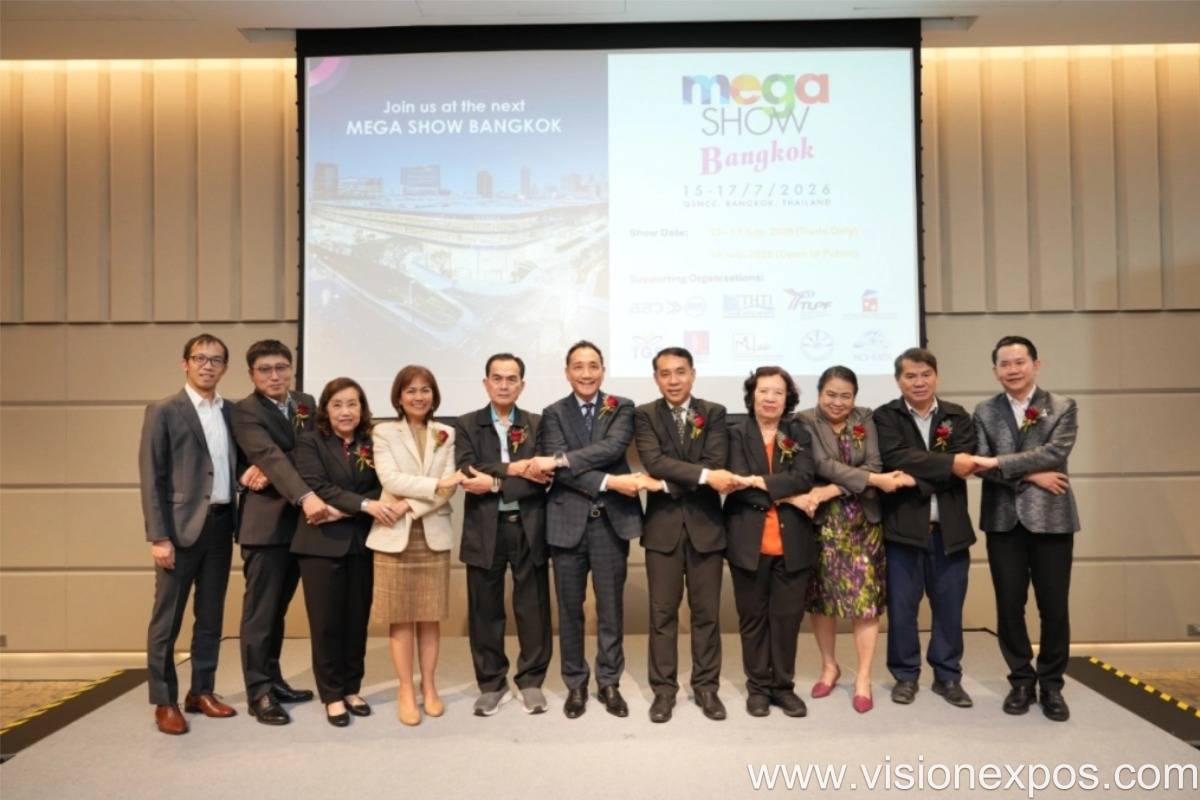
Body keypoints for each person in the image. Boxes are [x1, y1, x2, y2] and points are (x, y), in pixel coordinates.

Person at [531, 340, 644, 719]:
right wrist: (609, 481)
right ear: (567, 372)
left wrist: (561, 459)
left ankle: (609, 682)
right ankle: (575, 684)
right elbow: (561, 474)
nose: (586, 373)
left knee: (611, 609)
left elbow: (612, 449)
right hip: (567, 523)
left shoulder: (622, 406)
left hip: (611, 523)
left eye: (593, 366)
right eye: (578, 366)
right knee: (570, 610)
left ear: (603, 370)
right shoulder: (553, 413)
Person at [971, 336, 1080, 722]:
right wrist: (1032, 475)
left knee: (1054, 607)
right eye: (1005, 364)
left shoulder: (1062, 406)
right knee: (1009, 604)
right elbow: (980, 464)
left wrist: (1002, 463)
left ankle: (1051, 684)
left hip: (1052, 520)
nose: (1013, 370)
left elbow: (1056, 452)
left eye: (1019, 362)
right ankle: (1020, 679)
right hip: (1003, 521)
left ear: (1036, 364)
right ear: (995, 371)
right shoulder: (984, 411)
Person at [140, 334, 242, 735]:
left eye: (215, 360)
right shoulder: (164, 410)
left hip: (221, 525)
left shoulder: (231, 412)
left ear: (224, 368)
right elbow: (152, 477)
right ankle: (164, 700)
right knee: (167, 621)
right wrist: (158, 536)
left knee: (211, 616)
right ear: (185, 363)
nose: (207, 366)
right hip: (178, 531)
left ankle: (201, 691)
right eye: (200, 358)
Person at [794, 365, 912, 714]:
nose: (838, 402)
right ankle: (829, 666)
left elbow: (874, 464)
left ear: (855, 397)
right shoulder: (804, 421)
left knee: (866, 603)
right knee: (822, 600)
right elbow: (820, 464)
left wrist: (831, 489)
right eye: (831, 394)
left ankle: (863, 677)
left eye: (845, 396)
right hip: (823, 525)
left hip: (864, 522)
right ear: (819, 393)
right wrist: (869, 481)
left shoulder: (866, 417)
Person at [292, 377, 403, 727]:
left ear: (362, 408)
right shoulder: (310, 441)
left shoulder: (373, 442)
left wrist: (348, 510)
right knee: (326, 624)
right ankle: (331, 695)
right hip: (320, 546)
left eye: (352, 404)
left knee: (356, 621)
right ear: (326, 409)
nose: (345, 411)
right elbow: (318, 485)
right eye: (337, 404)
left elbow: (382, 487)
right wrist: (364, 505)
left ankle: (352, 688)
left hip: (361, 543)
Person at [635, 346, 738, 723]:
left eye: (680, 372)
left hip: (706, 528)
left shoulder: (714, 412)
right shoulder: (644, 415)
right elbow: (654, 461)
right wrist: (703, 477)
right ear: (656, 378)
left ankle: (706, 688)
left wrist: (663, 484)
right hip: (662, 531)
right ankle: (663, 691)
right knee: (661, 615)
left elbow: (715, 462)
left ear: (693, 374)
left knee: (706, 614)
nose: (673, 380)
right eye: (665, 373)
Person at [873, 347, 978, 708]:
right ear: (898, 380)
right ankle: (905, 676)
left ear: (936, 376)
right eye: (910, 376)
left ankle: (948, 676)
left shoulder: (957, 416)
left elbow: (964, 465)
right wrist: (947, 465)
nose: (919, 382)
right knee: (902, 609)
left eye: (925, 374)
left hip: (950, 533)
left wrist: (916, 476)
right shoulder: (886, 416)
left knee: (949, 607)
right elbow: (894, 457)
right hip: (903, 532)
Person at [454, 353, 553, 716]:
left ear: (522, 385)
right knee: (485, 610)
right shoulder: (467, 423)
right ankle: (492, 684)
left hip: (529, 526)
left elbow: (543, 477)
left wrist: (494, 482)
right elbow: (468, 470)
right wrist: (514, 470)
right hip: (484, 528)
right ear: (486, 383)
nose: (504, 385)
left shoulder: (538, 424)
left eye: (512, 379)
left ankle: (531, 681)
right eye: (497, 378)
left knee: (533, 607)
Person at [367, 365, 463, 726]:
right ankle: (405, 689)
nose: (418, 396)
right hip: (394, 536)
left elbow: (450, 488)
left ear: (434, 396)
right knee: (401, 616)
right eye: (411, 390)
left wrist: (408, 504)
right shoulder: (383, 431)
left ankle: (430, 686)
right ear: (398, 396)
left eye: (425, 390)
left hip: (432, 533)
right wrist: (434, 486)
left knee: (429, 616)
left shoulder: (446, 433)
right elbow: (389, 478)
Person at [232, 339, 322, 725]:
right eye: (265, 369)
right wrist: (303, 493)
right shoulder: (245, 411)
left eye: (281, 367)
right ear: (252, 374)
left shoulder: (306, 402)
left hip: (299, 527)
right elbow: (266, 454)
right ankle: (259, 693)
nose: (274, 376)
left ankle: (275, 679)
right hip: (265, 527)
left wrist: (274, 464)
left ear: (291, 369)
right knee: (260, 614)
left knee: (279, 611)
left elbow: (317, 448)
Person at [723, 366, 815, 718]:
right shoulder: (735, 434)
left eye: (778, 392)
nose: (770, 398)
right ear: (752, 395)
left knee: (787, 621)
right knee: (753, 620)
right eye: (764, 391)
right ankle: (758, 688)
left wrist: (758, 481)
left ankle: (783, 687)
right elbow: (736, 484)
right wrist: (784, 492)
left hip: (793, 543)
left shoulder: (798, 432)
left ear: (787, 398)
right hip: (749, 542)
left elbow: (804, 478)